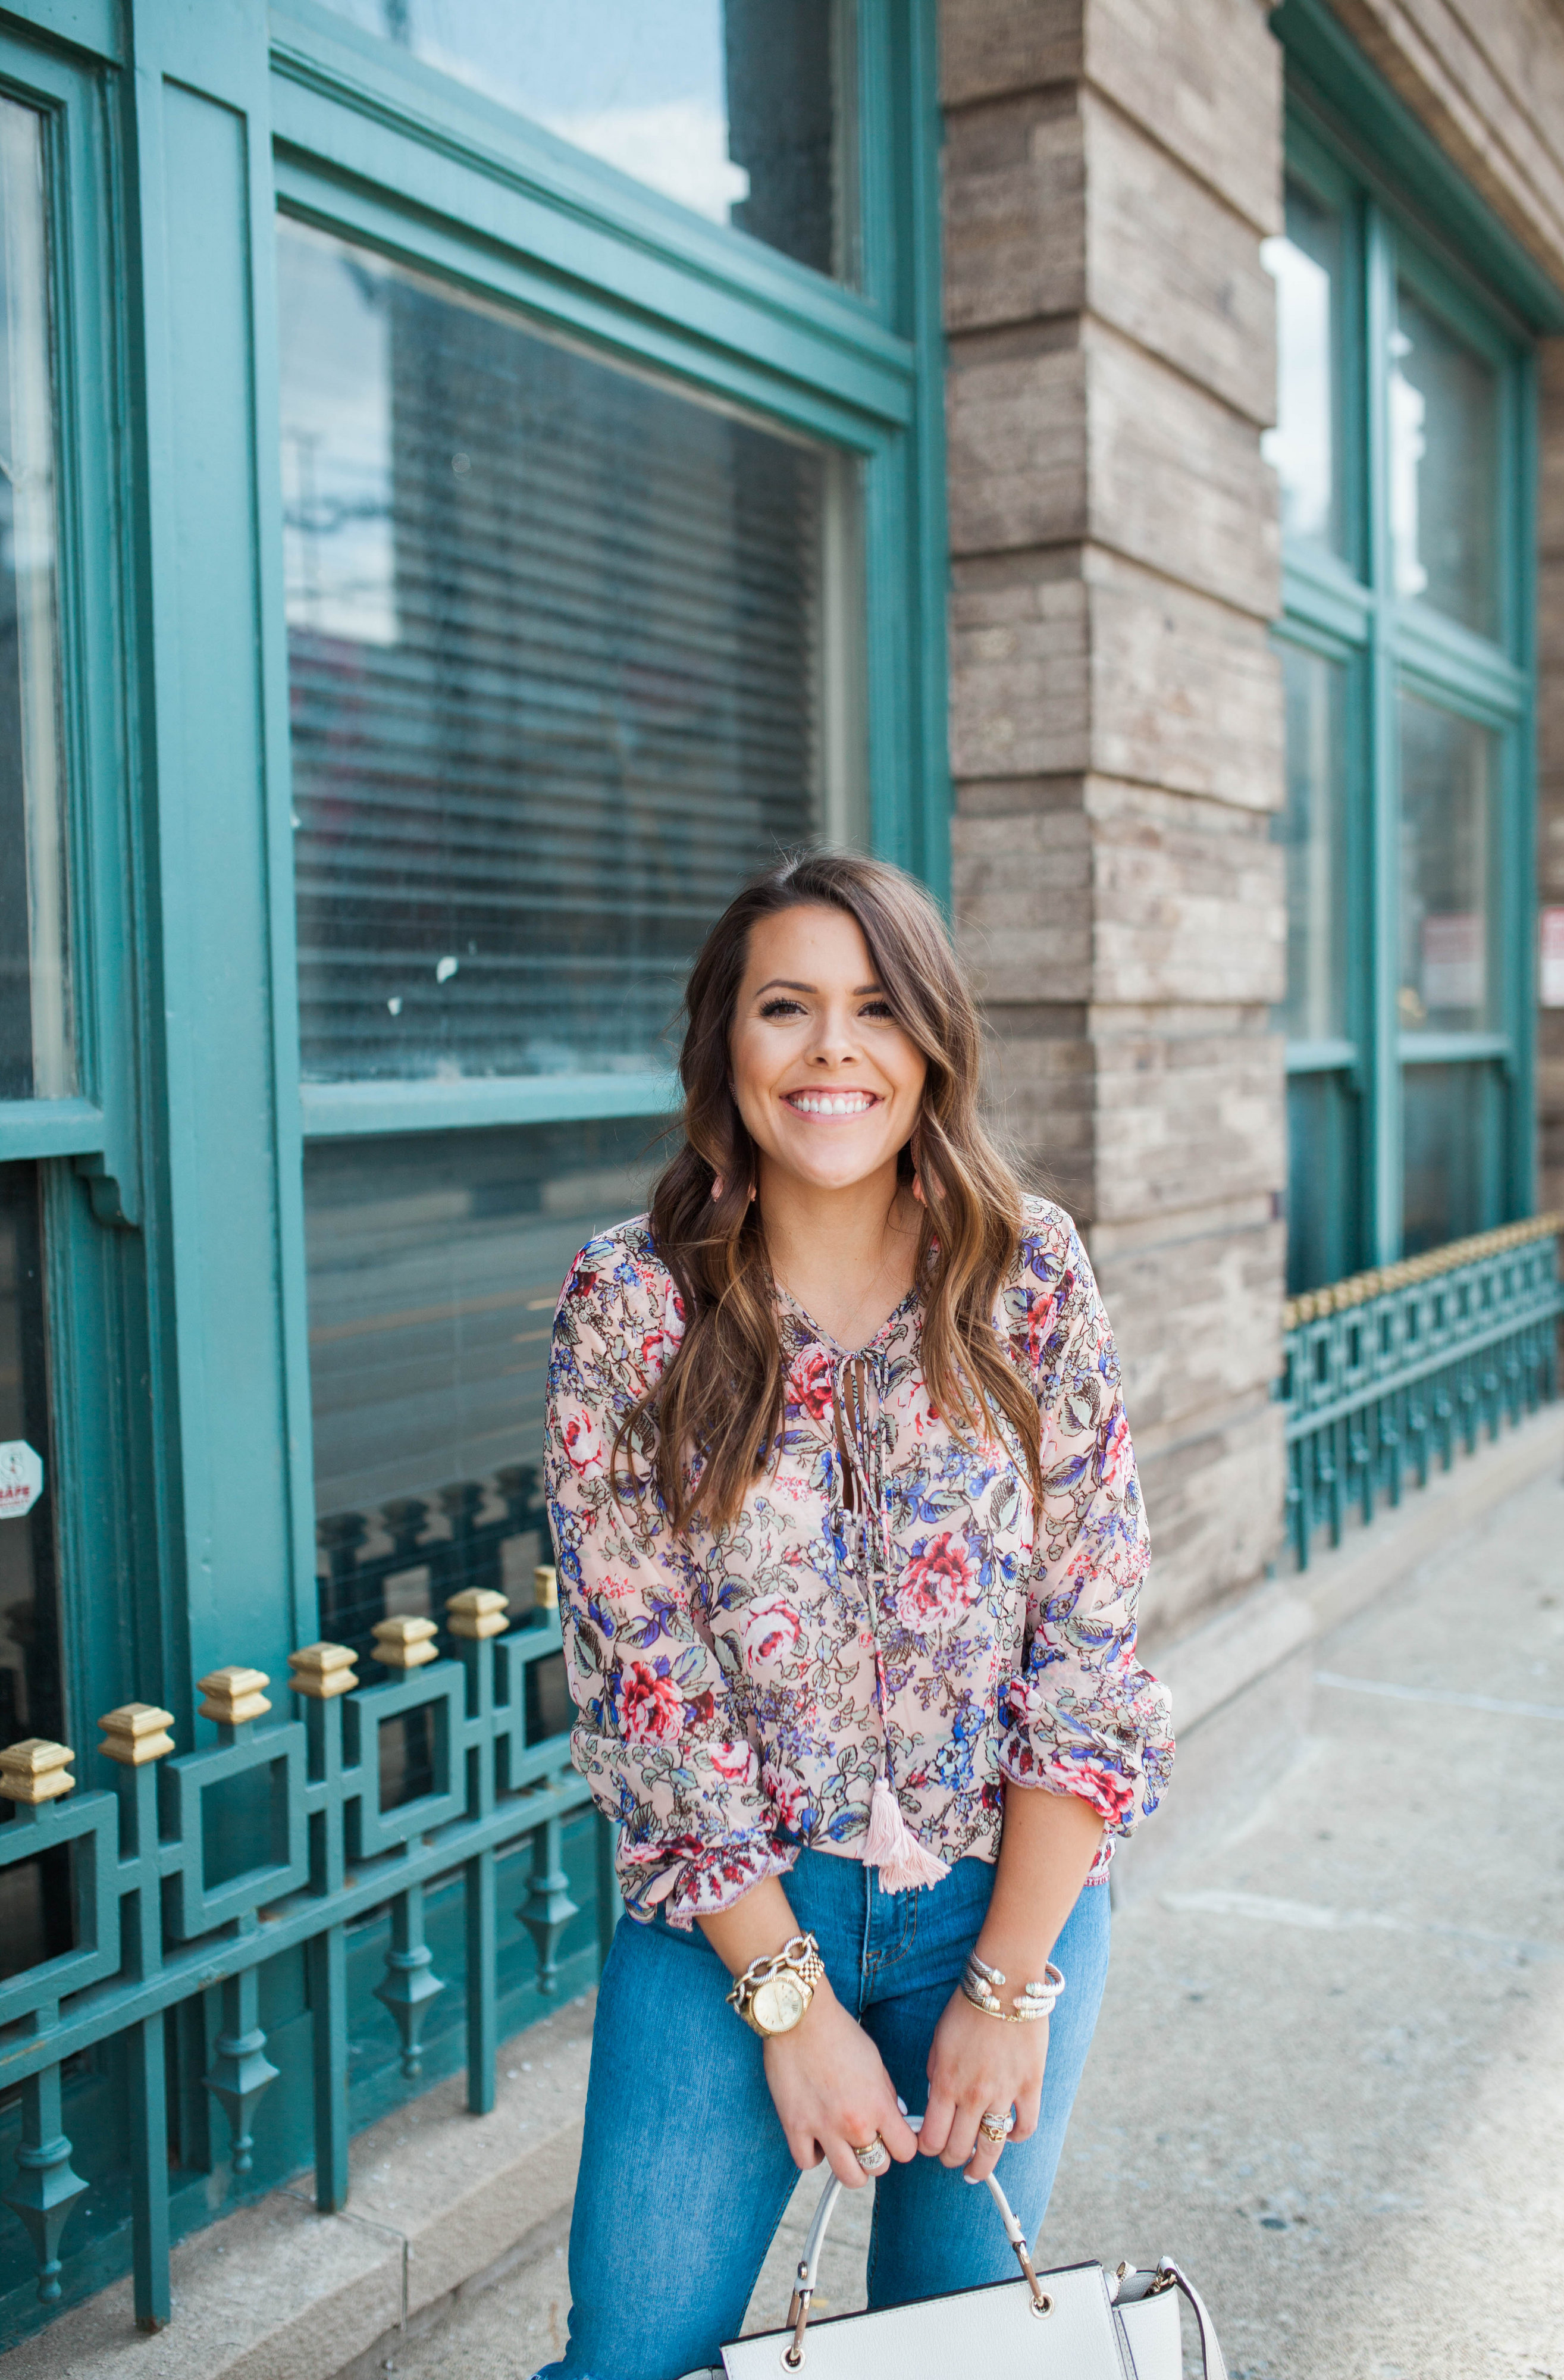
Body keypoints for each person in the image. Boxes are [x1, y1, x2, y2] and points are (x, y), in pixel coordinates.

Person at [536, 851, 1173, 2380]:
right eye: (786, 1006)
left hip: (1001, 1899)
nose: (834, 1047)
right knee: (631, 2354)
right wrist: (790, 2006)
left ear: (930, 1045)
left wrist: (1009, 1986)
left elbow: (1088, 1646)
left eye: (876, 1007)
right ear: (726, 1045)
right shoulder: (632, 1308)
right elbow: (648, 1696)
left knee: (958, 2354)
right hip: (737, 1914)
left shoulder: (1028, 1277)